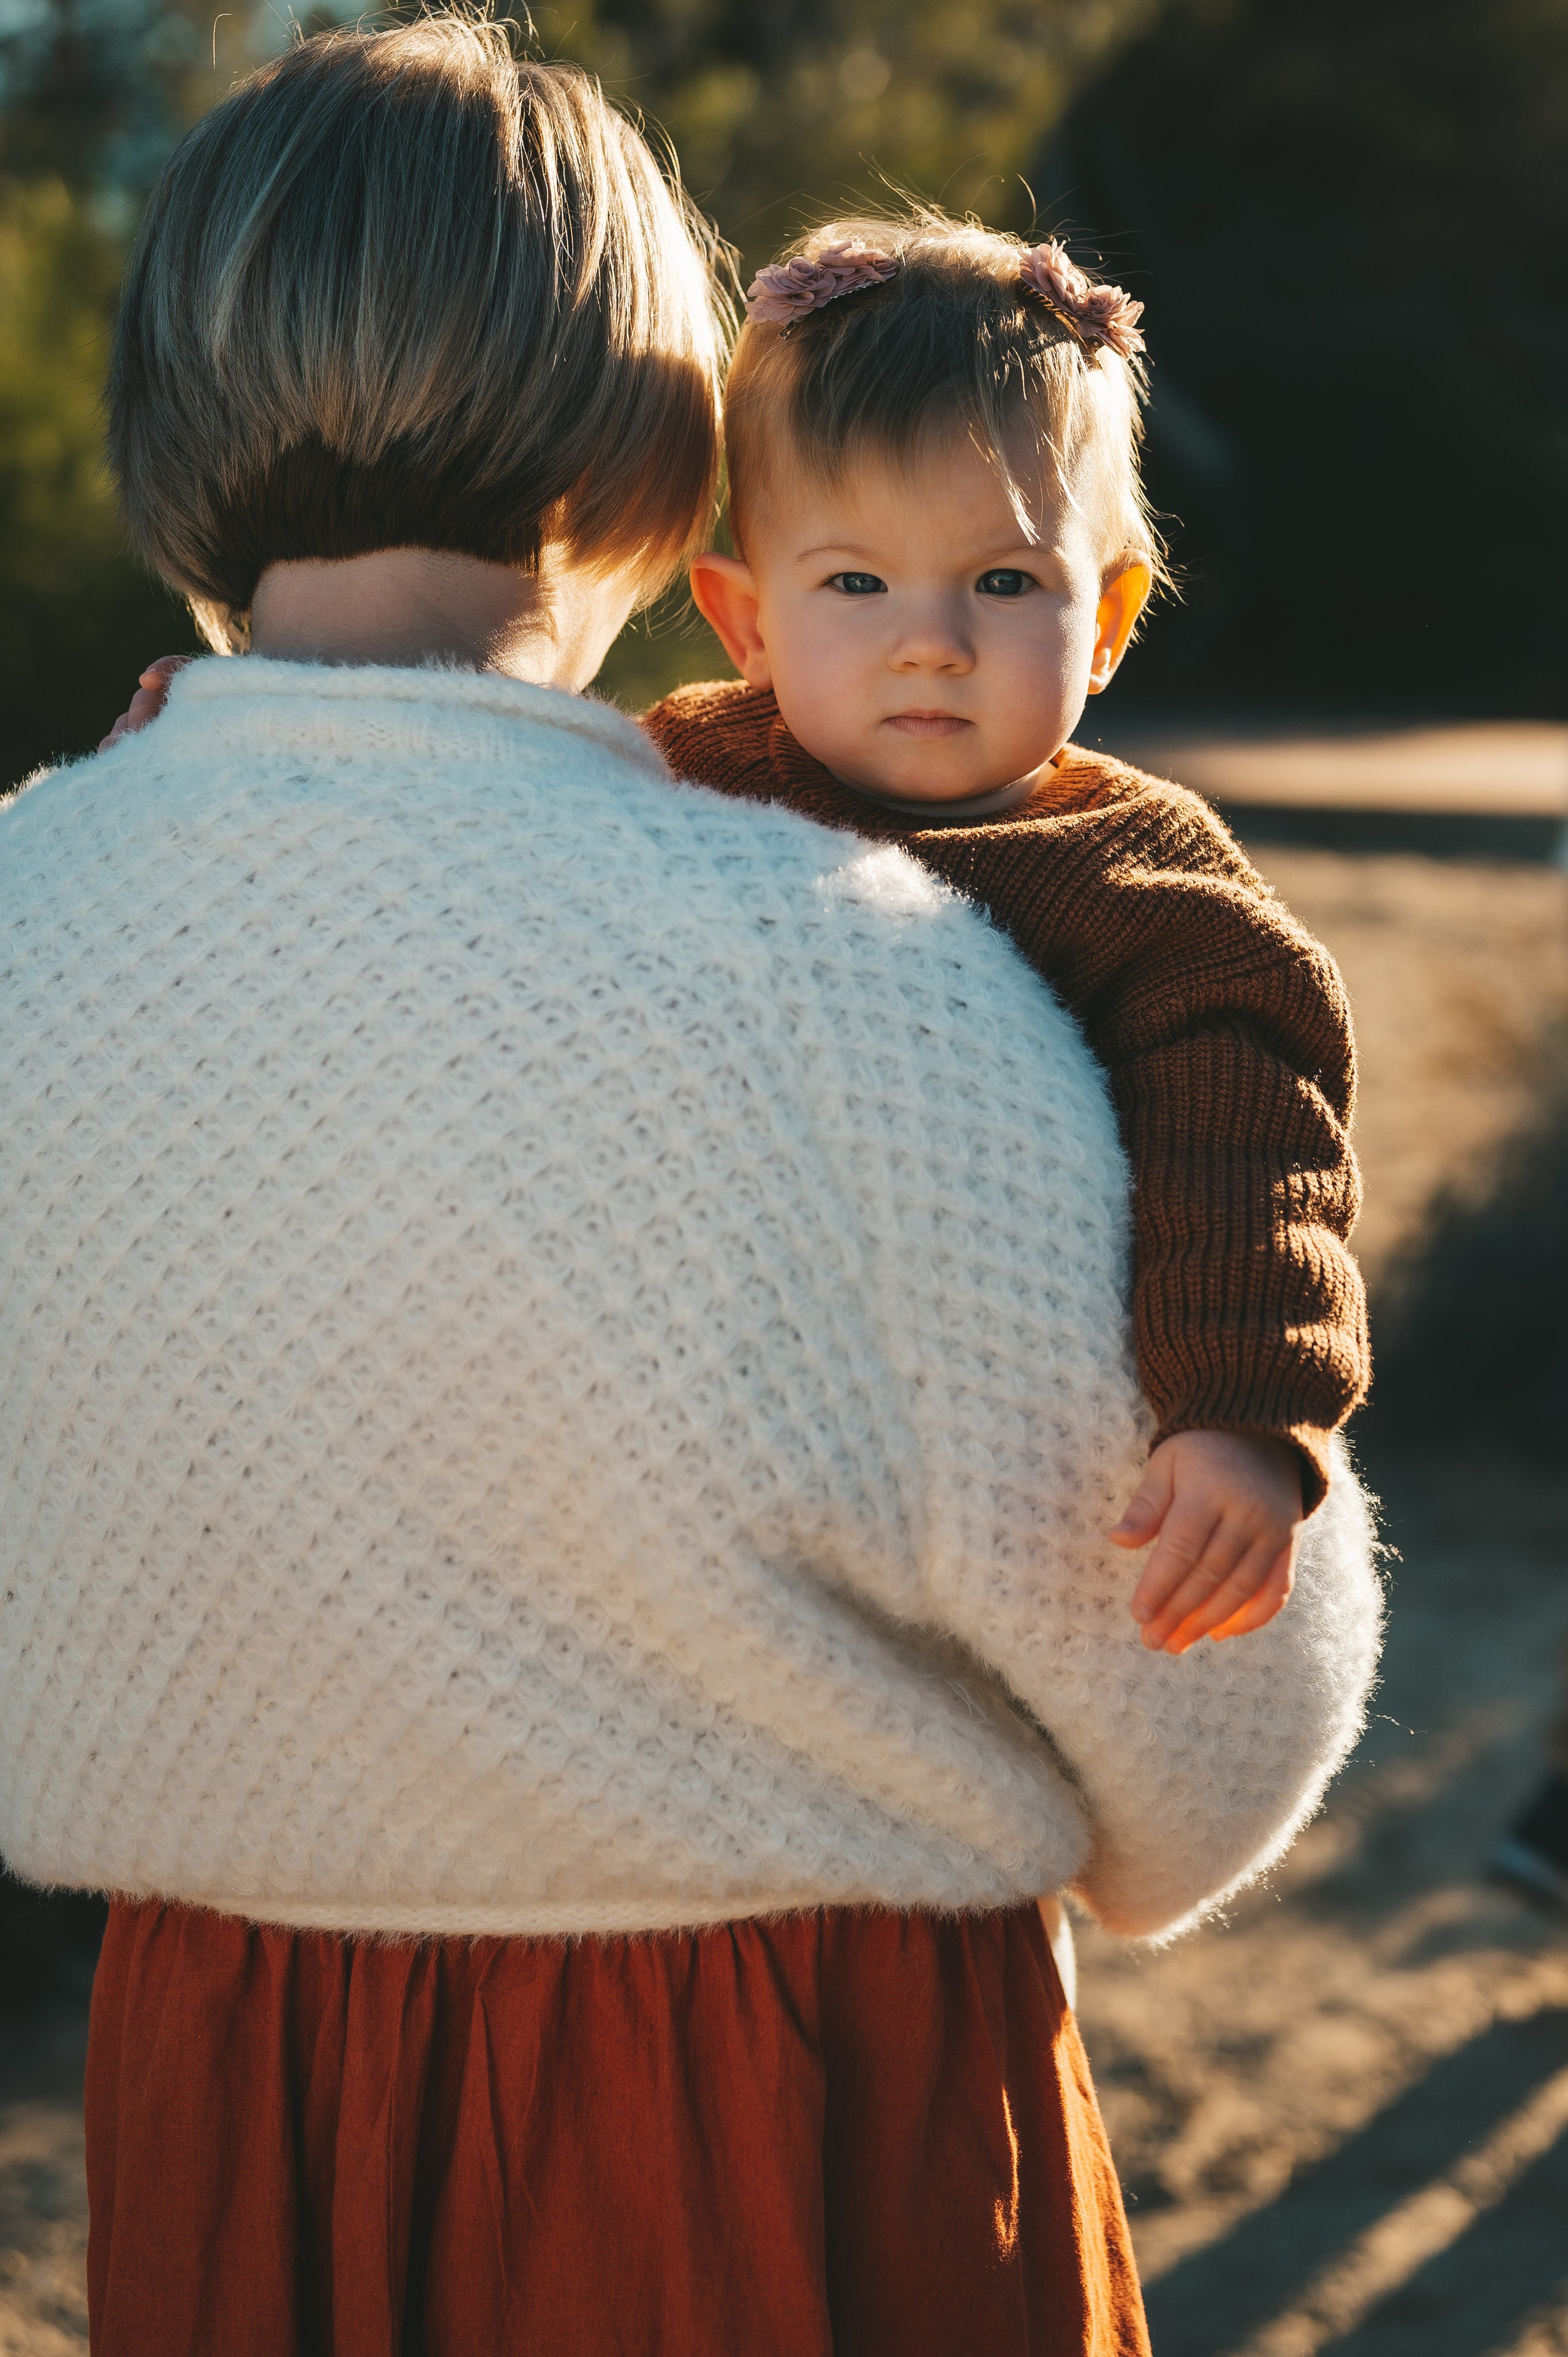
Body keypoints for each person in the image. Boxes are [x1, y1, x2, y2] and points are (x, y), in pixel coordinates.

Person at [1, 24, 1382, 2355]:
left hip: (222, 2095)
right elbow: (1220, 1706)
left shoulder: (28, 903)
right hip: (800, 2103)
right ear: (663, 446)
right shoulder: (849, 972)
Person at [643, 211, 1370, 1657]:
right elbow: (486, 831)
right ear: (743, 621)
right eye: (853, 582)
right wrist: (235, 728)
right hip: (712, 1442)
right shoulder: (683, 775)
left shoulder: (1136, 879)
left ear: (1102, 621)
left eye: (1000, 581)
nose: (930, 640)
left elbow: (1251, 1139)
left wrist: (1239, 1409)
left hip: (1010, 1486)